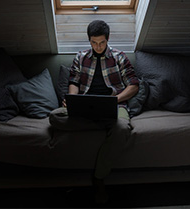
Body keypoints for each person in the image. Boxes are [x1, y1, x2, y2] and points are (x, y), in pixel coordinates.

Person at [49, 20, 139, 203]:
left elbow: (134, 85)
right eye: (94, 42)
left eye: (102, 42)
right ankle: (101, 125)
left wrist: (115, 99)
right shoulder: (81, 57)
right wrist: (72, 100)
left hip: (115, 105)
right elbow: (73, 81)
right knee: (55, 117)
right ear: (89, 41)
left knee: (122, 128)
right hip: (85, 106)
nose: (98, 46)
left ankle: (98, 178)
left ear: (108, 39)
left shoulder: (119, 57)